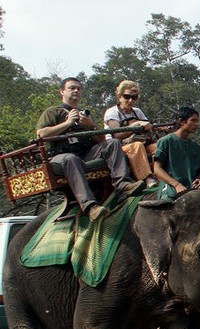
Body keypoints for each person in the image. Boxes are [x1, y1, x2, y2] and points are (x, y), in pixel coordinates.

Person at [36, 77, 144, 222]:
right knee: (70, 158)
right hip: (61, 155)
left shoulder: (84, 114)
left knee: (112, 143)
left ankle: (123, 184)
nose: (76, 91)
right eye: (72, 88)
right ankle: (90, 207)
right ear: (61, 91)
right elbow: (41, 134)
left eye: (79, 89)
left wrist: (91, 126)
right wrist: (68, 123)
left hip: (86, 153)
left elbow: (101, 140)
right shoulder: (53, 112)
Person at [103, 80, 158, 186]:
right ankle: (147, 178)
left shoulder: (137, 111)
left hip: (141, 143)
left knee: (159, 146)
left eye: (134, 97)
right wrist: (136, 125)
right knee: (136, 146)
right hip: (118, 149)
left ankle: (164, 175)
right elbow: (117, 134)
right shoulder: (112, 112)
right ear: (119, 96)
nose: (130, 100)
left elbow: (148, 126)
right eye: (127, 97)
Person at [153, 107, 200, 200]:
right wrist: (176, 185)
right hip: (170, 192)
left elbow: (199, 173)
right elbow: (157, 169)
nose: (196, 124)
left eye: (197, 121)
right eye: (193, 120)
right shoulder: (166, 141)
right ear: (181, 121)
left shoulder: (196, 147)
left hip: (193, 193)